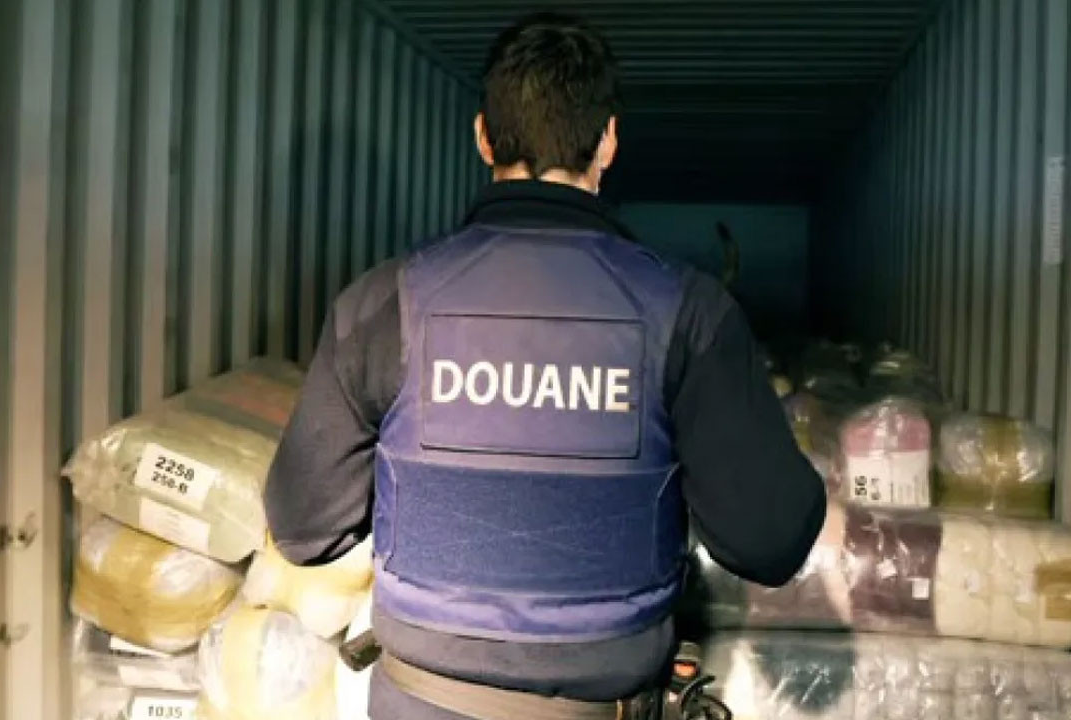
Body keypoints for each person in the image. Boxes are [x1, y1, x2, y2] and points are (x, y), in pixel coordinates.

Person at [264, 12, 828, 720]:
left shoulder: (383, 305)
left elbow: (303, 528)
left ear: (482, 136)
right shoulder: (687, 313)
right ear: (608, 141)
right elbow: (771, 541)